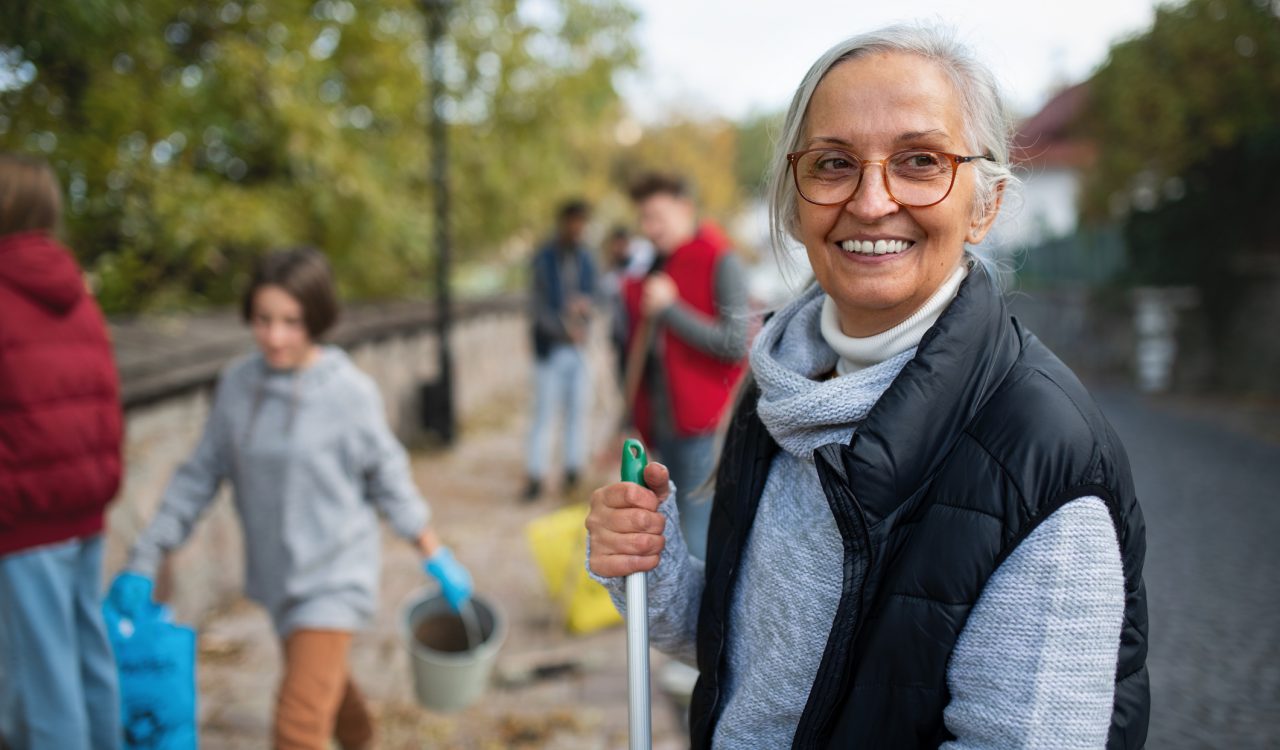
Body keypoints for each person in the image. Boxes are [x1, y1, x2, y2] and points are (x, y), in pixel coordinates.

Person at [588, 24, 1148, 749]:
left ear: (985, 205)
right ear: (796, 199)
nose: (872, 199)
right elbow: (764, 656)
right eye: (833, 164)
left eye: (920, 161)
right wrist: (651, 569)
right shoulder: (778, 392)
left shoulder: (1042, 456)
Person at [105, 247, 473, 750]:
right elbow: (198, 477)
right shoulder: (238, 385)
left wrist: (435, 552)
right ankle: (362, 738)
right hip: (278, 577)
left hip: (335, 577)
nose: (275, 337)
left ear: (317, 319)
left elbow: (389, 479)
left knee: (296, 728)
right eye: (263, 320)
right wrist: (146, 557)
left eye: (291, 322)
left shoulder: (348, 393)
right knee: (322, 681)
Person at [0, 153, 124, 750]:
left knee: (42, 685)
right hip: (83, 509)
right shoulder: (77, 293)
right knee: (88, 661)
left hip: (24, 520)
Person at [622, 173, 749, 562]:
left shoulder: (721, 258)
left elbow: (734, 343)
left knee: (696, 532)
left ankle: (699, 621)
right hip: (661, 422)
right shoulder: (657, 264)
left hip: (703, 425)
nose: (650, 228)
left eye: (657, 216)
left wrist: (670, 309)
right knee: (668, 522)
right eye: (644, 218)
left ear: (685, 208)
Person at [524, 199, 597, 501]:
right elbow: (537, 309)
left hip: (577, 351)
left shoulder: (587, 260)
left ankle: (572, 469)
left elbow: (597, 297)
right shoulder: (543, 259)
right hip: (551, 351)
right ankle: (536, 474)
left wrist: (585, 309)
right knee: (544, 414)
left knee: (578, 412)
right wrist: (563, 329)